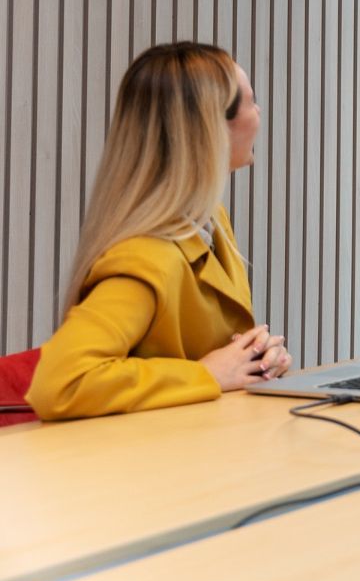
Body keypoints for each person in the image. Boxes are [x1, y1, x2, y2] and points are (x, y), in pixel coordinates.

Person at [27, 43, 293, 420]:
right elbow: (60, 382)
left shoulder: (210, 222)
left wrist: (254, 360)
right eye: (252, 101)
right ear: (211, 128)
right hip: (147, 466)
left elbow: (213, 353)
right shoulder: (147, 256)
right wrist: (207, 374)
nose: (260, 112)